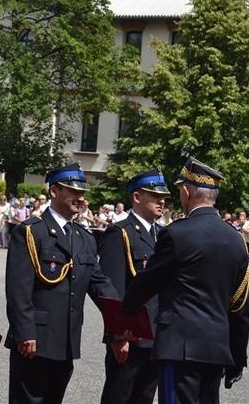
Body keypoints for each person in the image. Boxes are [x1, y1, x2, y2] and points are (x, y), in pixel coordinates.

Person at [123, 157, 249, 403]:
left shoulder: (177, 233)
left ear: (186, 191)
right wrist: (237, 356)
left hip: (179, 348)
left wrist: (127, 310)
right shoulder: (236, 240)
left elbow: (148, 281)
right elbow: (240, 306)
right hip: (216, 348)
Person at [5, 163, 118, 404]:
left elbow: (100, 285)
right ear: (54, 191)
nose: (81, 198)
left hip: (66, 340)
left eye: (83, 193)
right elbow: (18, 290)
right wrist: (25, 332)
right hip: (34, 341)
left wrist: (127, 318)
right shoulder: (31, 232)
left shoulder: (84, 238)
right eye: (74, 192)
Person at [99, 169, 171, 404]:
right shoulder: (120, 233)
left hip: (157, 335)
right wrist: (118, 336)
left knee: (144, 398)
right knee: (119, 397)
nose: (161, 201)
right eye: (154, 196)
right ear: (137, 197)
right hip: (132, 336)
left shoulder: (163, 235)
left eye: (164, 197)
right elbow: (113, 288)